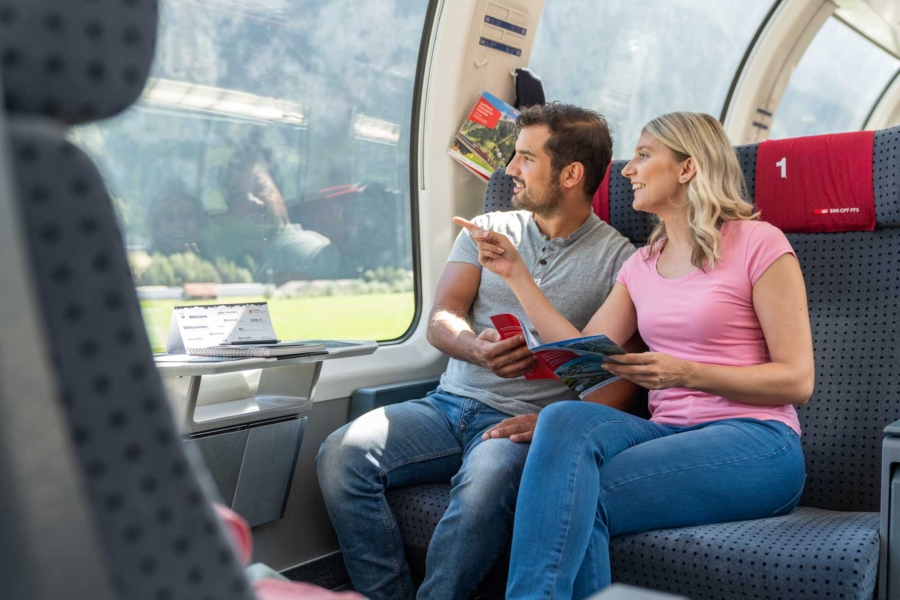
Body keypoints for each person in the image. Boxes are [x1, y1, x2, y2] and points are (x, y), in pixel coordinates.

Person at [457, 111, 813, 600]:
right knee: (562, 419)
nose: (627, 170)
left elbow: (798, 380)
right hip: (666, 432)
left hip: (756, 439)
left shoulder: (760, 244)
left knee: (577, 498)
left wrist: (687, 372)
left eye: (644, 156)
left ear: (687, 168)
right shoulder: (640, 264)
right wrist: (517, 275)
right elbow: (581, 358)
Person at [315, 103, 637, 600]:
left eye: (526, 158)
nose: (510, 169)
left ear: (571, 174)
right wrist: (474, 348)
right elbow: (441, 317)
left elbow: (618, 381)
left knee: (483, 489)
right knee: (341, 456)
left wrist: (557, 421)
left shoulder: (621, 260)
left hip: (521, 422)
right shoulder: (489, 228)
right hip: (445, 405)